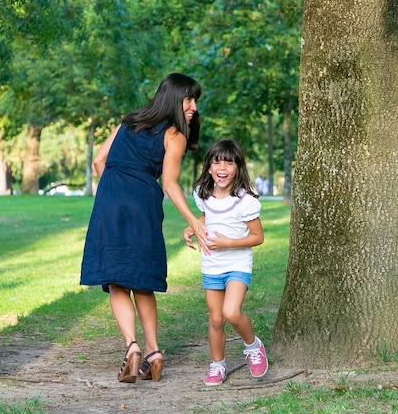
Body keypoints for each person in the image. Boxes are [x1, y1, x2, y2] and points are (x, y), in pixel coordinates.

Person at [80, 73, 210, 384]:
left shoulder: (129, 122)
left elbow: (100, 161)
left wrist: (111, 193)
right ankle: (153, 351)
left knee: (116, 281)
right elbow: (168, 182)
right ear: (173, 98)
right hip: (143, 204)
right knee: (141, 280)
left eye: (195, 100)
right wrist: (193, 219)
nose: (193, 106)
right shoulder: (175, 134)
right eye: (188, 99)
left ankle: (132, 346)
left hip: (110, 201)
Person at [183, 139, 268, 386]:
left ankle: (253, 345)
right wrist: (192, 227)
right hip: (212, 265)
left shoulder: (244, 201)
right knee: (216, 319)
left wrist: (228, 243)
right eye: (216, 161)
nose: (222, 167)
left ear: (237, 168)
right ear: (209, 167)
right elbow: (207, 216)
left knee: (230, 312)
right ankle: (218, 365)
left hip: (237, 264)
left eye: (228, 162)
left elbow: (258, 237)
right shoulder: (203, 195)